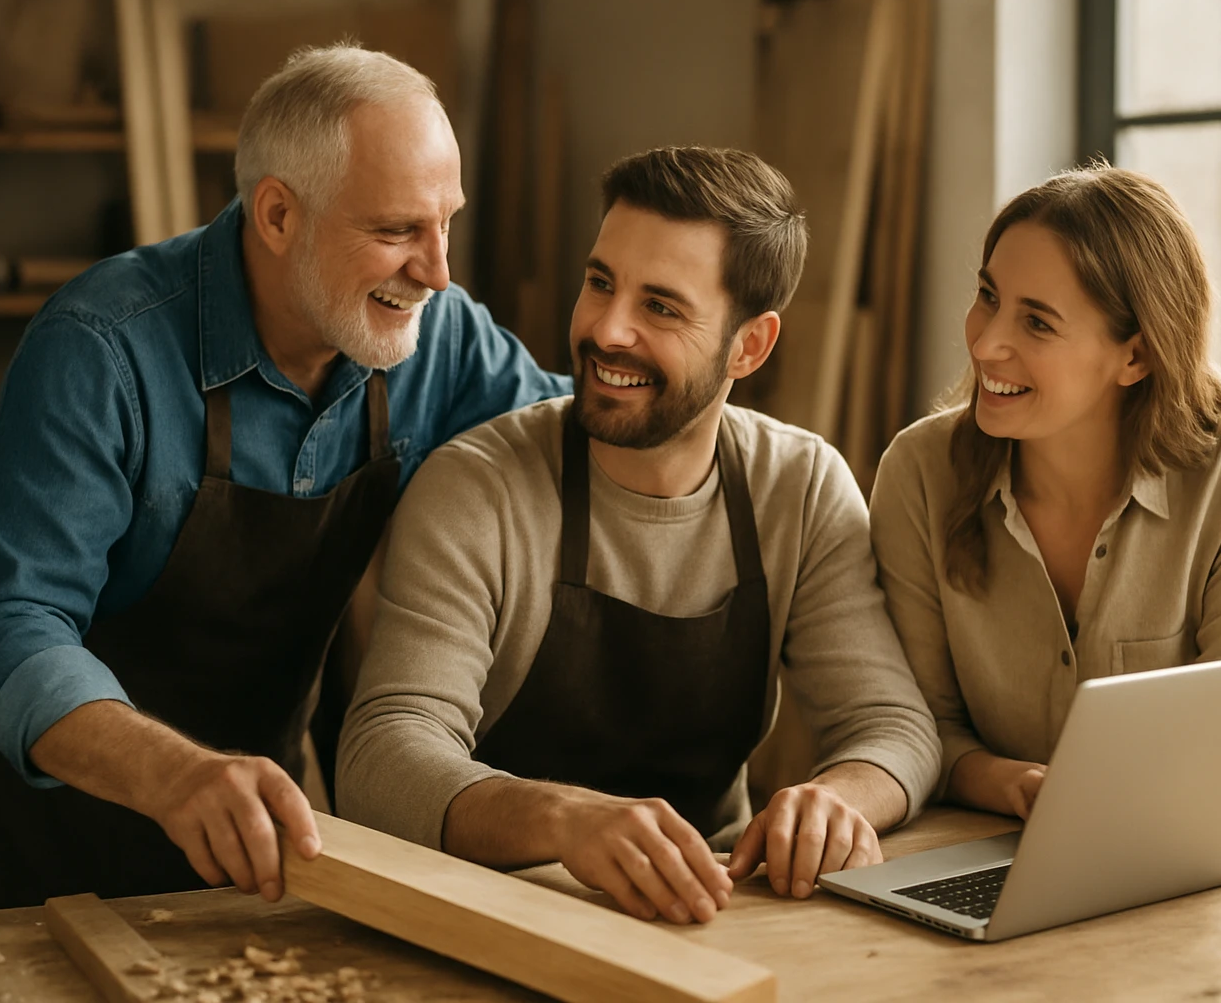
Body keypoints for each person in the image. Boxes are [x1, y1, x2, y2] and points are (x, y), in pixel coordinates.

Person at [0, 45, 568, 913]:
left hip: (259, 829)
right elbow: (2, 626)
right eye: (395, 232)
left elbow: (577, 441)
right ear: (277, 215)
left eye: (445, 222)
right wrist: (175, 774)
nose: (437, 272)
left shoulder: (440, 336)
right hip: (60, 836)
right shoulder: (99, 349)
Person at [337, 146, 941, 925]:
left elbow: (893, 727)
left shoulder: (801, 487)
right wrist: (562, 820)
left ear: (750, 346)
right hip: (497, 911)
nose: (607, 329)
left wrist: (837, 800)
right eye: (600, 283)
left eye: (660, 307)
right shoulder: (477, 488)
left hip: (716, 908)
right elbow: (382, 755)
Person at [870, 164, 1221, 821]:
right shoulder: (919, 472)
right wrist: (1011, 784)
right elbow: (918, 726)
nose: (986, 343)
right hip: (974, 847)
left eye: (1037, 323)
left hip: (1177, 851)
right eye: (988, 296)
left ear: (1136, 357)